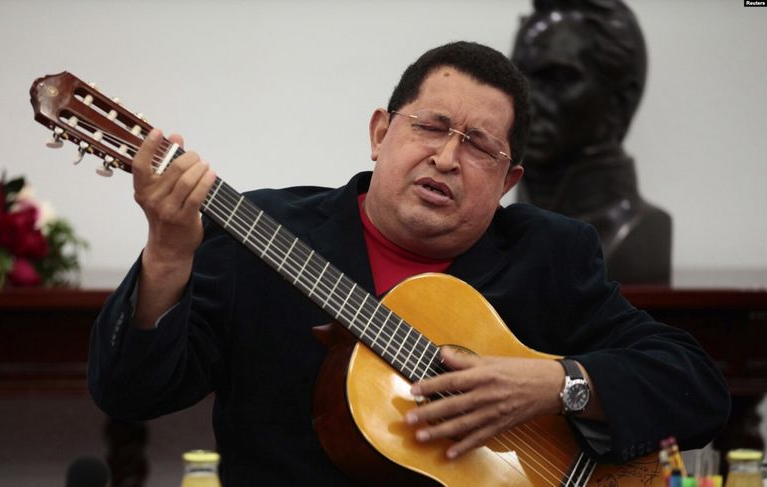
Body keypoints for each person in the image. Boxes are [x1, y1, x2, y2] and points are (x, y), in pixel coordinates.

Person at [88, 41, 729, 485]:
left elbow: (696, 387)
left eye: (478, 146)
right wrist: (169, 251)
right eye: (431, 126)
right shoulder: (260, 233)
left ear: (508, 181)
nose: (447, 158)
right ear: (379, 132)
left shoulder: (549, 254)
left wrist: (555, 385)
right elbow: (130, 392)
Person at [511, 0, 672, 283]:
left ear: (620, 101)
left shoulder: (633, 234)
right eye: (518, 80)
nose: (526, 102)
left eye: (558, 79)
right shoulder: (498, 229)